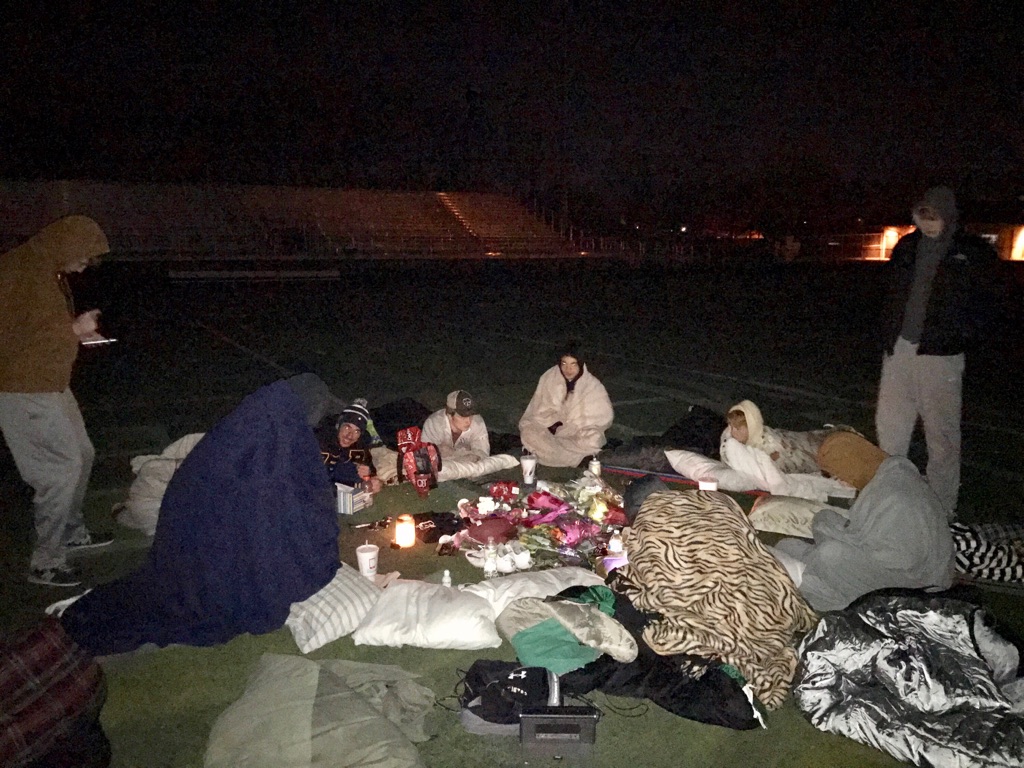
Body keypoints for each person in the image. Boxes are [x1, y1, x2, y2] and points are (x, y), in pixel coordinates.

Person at [0, 216, 114, 588]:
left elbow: (35, 329)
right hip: (23, 390)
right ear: (66, 245)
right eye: (83, 258)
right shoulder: (18, 272)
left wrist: (74, 334)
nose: (84, 267)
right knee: (59, 472)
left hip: (50, 385)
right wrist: (72, 331)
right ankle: (46, 561)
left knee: (83, 455)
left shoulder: (44, 268)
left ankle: (70, 532)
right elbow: (9, 340)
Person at [875, 186, 1000, 520]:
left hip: (940, 357)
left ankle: (942, 509)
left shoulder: (971, 251)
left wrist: (962, 336)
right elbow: (890, 292)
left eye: (935, 218)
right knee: (890, 430)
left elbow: (990, 302)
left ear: (949, 216)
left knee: (941, 436)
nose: (928, 225)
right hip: (899, 351)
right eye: (923, 218)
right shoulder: (907, 246)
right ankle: (886, 501)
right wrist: (888, 331)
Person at [771, 433, 956, 612]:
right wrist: (843, 536)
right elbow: (866, 534)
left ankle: (820, 586)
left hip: (916, 583)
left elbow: (901, 559)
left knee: (831, 554)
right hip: (881, 557)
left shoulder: (897, 495)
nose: (843, 481)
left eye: (840, 474)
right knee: (811, 528)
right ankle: (809, 571)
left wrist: (844, 542)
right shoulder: (886, 477)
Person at [518, 341, 614, 467]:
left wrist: (569, 426)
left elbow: (602, 418)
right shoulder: (549, 377)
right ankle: (575, 458)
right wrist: (555, 424)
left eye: (573, 364)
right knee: (528, 430)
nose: (568, 369)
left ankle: (542, 453)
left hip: (576, 433)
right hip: (549, 429)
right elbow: (538, 410)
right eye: (564, 364)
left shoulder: (592, 385)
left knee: (593, 439)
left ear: (580, 364)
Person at [315, 399, 383, 493]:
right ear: (339, 425)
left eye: (356, 431)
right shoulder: (319, 440)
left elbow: (369, 468)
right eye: (347, 427)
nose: (350, 435)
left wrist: (372, 477)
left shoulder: (360, 445)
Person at [421, 390, 490, 462]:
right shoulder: (434, 424)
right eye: (463, 417)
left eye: (471, 415)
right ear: (450, 415)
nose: (468, 421)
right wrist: (466, 456)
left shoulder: (478, 422)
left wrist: (453, 454)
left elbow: (483, 456)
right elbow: (425, 458)